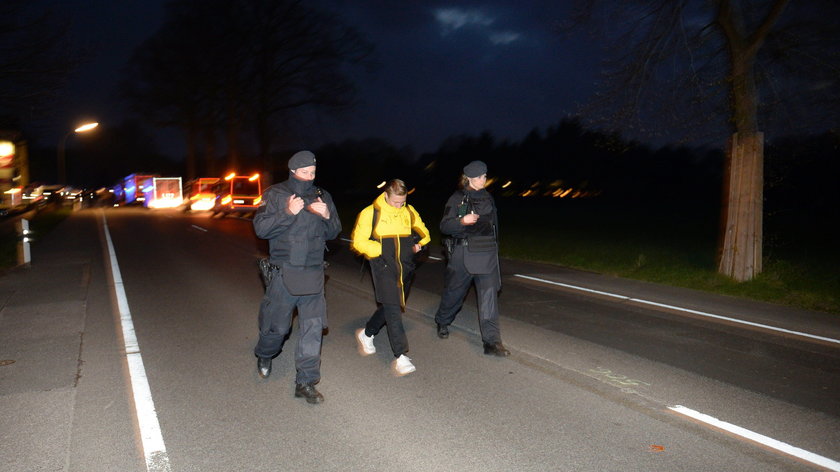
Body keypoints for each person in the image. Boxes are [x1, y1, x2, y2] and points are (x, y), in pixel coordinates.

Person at [253, 150, 341, 404]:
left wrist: (326, 216)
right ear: (293, 171)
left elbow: (334, 231)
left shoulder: (322, 195)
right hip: (284, 273)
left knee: (313, 329)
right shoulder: (275, 194)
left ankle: (306, 382)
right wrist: (288, 213)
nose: (309, 177)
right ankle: (264, 353)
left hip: (313, 273)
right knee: (278, 327)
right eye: (305, 173)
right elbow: (260, 228)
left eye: (313, 173)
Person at [351, 179, 431, 375]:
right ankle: (401, 355)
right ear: (386, 195)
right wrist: (381, 249)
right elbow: (358, 242)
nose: (399, 205)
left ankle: (367, 333)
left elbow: (425, 234)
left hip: (406, 267)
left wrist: (418, 245)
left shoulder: (409, 211)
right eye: (395, 201)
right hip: (382, 266)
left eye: (402, 201)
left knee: (391, 305)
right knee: (394, 309)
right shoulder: (370, 213)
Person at [434, 160, 510, 357]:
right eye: (479, 177)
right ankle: (442, 321)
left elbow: (495, 229)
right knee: (454, 294)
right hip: (463, 255)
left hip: (486, 254)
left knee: (489, 298)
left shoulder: (488, 198)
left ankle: (492, 342)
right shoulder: (457, 198)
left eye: (484, 176)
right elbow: (445, 226)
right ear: (468, 179)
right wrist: (462, 221)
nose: (483, 180)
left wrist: (496, 251)